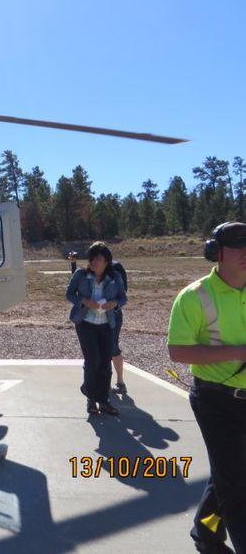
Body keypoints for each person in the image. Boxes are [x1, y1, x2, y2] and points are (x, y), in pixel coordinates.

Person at [167, 221, 246, 554]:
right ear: (217, 252)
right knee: (238, 484)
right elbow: (178, 351)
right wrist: (238, 352)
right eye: (238, 246)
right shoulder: (194, 297)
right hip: (216, 400)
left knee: (228, 475)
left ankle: (205, 530)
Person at [66, 241, 127, 416]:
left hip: (106, 324)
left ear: (106, 261)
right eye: (92, 258)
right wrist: (84, 301)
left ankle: (103, 401)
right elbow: (69, 294)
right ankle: (91, 400)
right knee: (92, 360)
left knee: (105, 363)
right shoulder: (81, 275)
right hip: (85, 323)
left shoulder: (115, 277)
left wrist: (114, 304)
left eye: (98, 259)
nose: (93, 262)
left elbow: (123, 299)